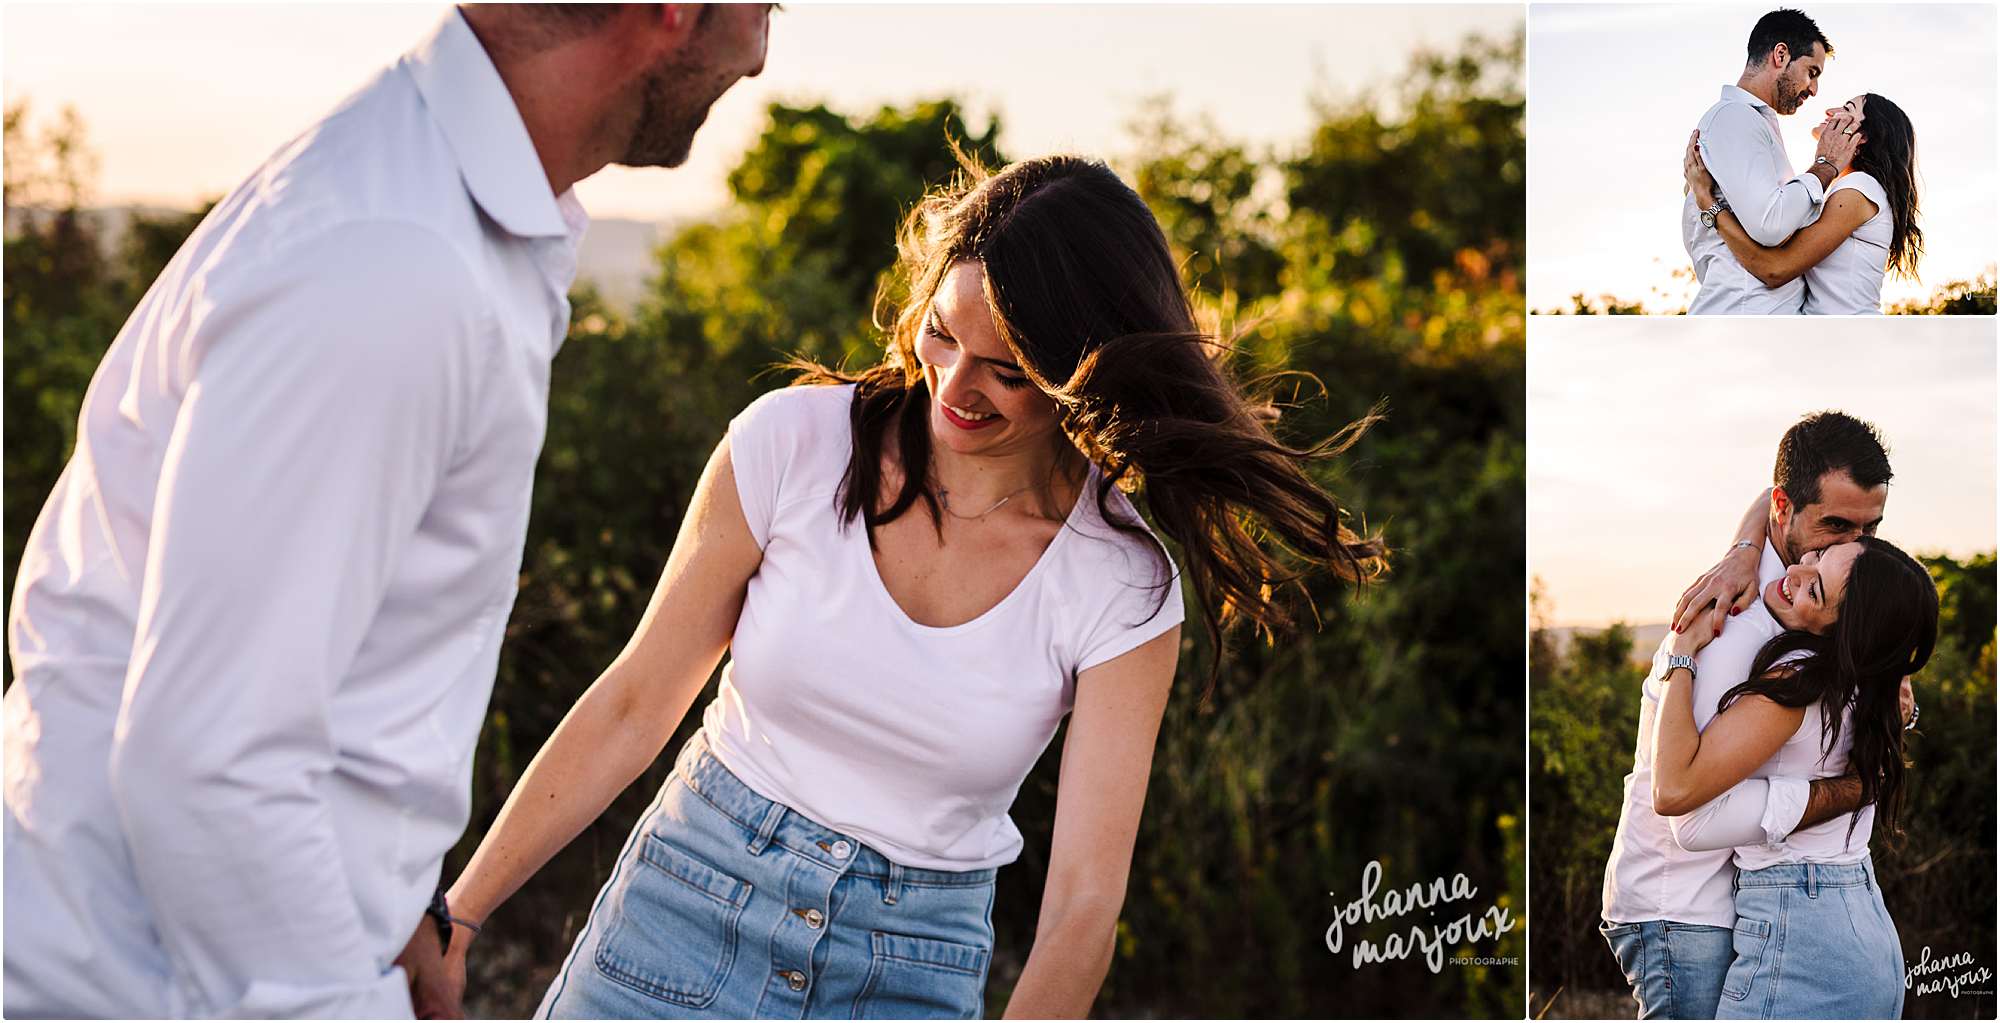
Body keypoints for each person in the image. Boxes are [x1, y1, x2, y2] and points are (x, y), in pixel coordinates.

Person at [422, 155, 1388, 1019]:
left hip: (910, 970)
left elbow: (1083, 906)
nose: (956, 388)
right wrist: (458, 914)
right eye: (941, 335)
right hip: (684, 907)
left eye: (1008, 371)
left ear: (1081, 374)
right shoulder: (788, 446)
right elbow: (635, 703)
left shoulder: (1121, 586)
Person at [2, 5, 771, 1017]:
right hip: (144, 986)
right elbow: (209, 760)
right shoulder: (390, 261)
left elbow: (325, 673)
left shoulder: (440, 212)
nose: (760, 50)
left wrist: (384, 905)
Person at [1598, 411, 1902, 1019]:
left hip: (1728, 897)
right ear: (1787, 511)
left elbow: (1776, 494)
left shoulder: (1805, 583)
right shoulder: (1737, 619)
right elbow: (1680, 794)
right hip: (1683, 904)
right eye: (1837, 526)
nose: (1851, 545)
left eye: (1868, 528)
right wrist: (1849, 789)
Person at [1652, 533, 1934, 1019]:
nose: (1796, 573)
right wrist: (1744, 549)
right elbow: (1779, 485)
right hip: (1862, 926)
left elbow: (1674, 792)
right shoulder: (1872, 687)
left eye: (1816, 592)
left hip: (1801, 934)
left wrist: (1681, 654)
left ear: (1845, 634)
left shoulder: (1797, 683)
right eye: (1818, 555)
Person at [1684, 8, 1863, 314]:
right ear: (1780, 55)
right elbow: (1771, 224)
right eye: (1812, 72)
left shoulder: (1751, 124)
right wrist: (1825, 165)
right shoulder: (1733, 119)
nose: (1815, 90)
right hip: (1745, 320)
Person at [1685, 93, 1921, 314]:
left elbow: (1774, 269)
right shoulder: (1847, 189)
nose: (1830, 111)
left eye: (1847, 109)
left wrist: (1707, 201)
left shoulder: (1859, 189)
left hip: (1848, 340)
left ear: (1863, 137)